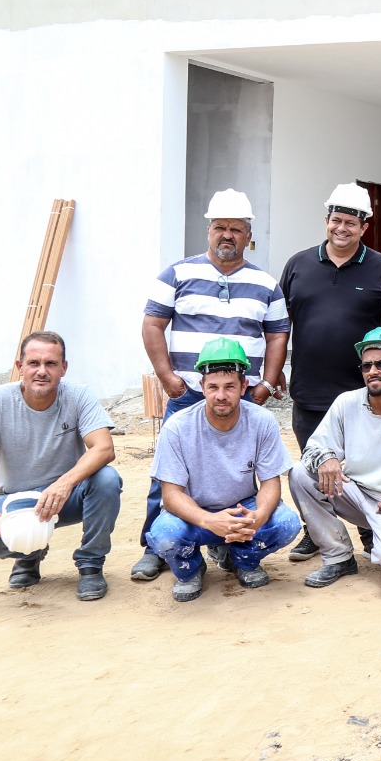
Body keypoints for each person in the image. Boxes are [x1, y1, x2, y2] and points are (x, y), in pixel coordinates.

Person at [136, 188, 290, 582]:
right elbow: (153, 324)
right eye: (220, 227)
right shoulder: (177, 274)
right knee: (168, 477)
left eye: (236, 229)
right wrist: (167, 376)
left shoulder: (266, 284)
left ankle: (234, 539)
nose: (227, 235)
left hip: (242, 396)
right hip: (189, 392)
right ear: (208, 230)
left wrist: (267, 383)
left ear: (248, 235)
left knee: (239, 474)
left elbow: (277, 336)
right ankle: (158, 548)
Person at [278, 183, 381, 564]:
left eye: (351, 222)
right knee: (312, 466)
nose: (342, 228)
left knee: (367, 464)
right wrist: (275, 369)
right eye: (336, 220)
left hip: (364, 392)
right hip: (310, 388)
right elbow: (279, 324)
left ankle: (369, 529)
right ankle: (316, 533)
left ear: (364, 226)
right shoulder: (298, 264)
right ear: (326, 220)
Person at [0, 331, 121, 600]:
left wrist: (64, 484)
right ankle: (29, 555)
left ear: (64, 368)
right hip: (19, 501)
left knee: (106, 479)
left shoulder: (78, 396)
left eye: (51, 364)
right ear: (20, 367)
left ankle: (91, 565)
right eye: (33, 363)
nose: (41, 371)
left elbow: (104, 448)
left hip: (68, 497)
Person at [145, 338, 302, 603]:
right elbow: (171, 495)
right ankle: (191, 570)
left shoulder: (262, 422)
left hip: (242, 508)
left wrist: (260, 516)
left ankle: (241, 558)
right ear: (201, 387)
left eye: (230, 386)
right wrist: (209, 521)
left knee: (286, 524)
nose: (221, 395)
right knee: (165, 536)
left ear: (243, 387)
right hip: (195, 512)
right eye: (213, 387)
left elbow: (270, 483)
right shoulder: (178, 427)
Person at [288, 328, 381, 587]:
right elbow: (313, 449)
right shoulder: (346, 402)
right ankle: (338, 557)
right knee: (299, 473)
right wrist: (327, 457)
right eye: (366, 365)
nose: (372, 371)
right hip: (355, 494)